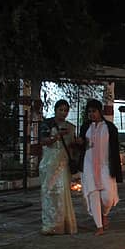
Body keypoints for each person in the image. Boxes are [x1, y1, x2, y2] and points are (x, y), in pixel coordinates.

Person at [78, 99, 122, 236]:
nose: (91, 114)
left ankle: (104, 214)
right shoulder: (85, 127)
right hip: (89, 166)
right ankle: (99, 226)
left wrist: (116, 167)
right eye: (89, 112)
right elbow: (81, 145)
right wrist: (80, 143)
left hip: (105, 166)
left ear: (100, 111)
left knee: (107, 197)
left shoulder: (109, 127)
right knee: (93, 194)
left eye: (94, 111)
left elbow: (114, 148)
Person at [38, 99, 78, 235]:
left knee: (62, 192)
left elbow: (72, 145)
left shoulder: (70, 127)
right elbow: (43, 141)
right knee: (49, 192)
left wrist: (78, 143)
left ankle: (64, 224)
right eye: (61, 110)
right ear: (55, 110)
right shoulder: (47, 124)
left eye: (66, 110)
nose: (63, 113)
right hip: (49, 163)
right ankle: (50, 225)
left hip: (63, 163)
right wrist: (56, 136)